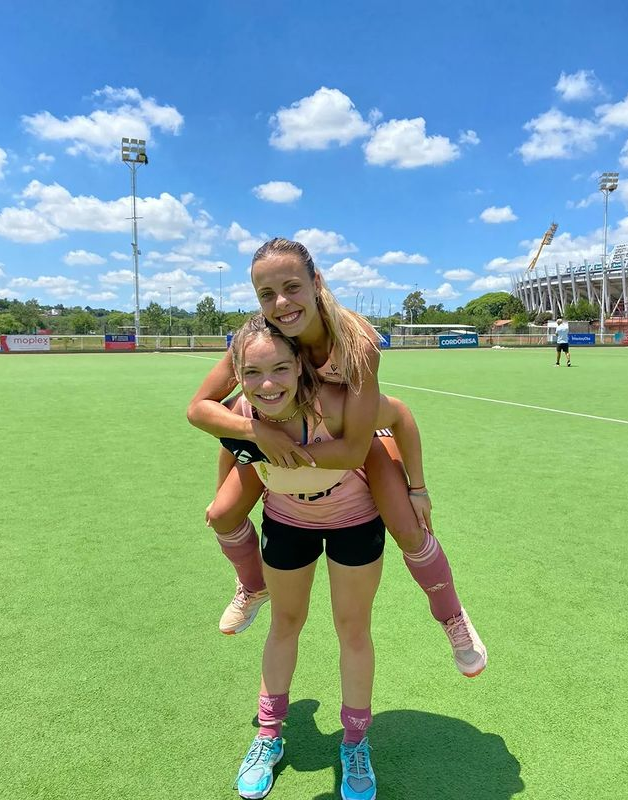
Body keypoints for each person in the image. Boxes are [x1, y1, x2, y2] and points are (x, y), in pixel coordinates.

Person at [188, 237, 486, 678]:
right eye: (266, 294)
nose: (281, 303)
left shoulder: (356, 341)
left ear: (317, 282)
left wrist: (418, 488)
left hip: (354, 439)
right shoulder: (264, 336)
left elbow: (360, 444)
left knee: (409, 529)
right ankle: (253, 586)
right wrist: (257, 433)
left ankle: (452, 617)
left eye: (292, 287)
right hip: (286, 437)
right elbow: (200, 408)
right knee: (222, 513)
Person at [210, 316, 432, 800]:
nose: (267, 384)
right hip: (287, 522)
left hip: (355, 519)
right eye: (253, 373)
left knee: (353, 631)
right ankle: (269, 735)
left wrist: (417, 488)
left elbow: (398, 418)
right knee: (284, 624)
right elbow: (228, 451)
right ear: (238, 375)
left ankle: (355, 742)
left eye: (280, 369)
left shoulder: (340, 405)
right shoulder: (242, 413)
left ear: (300, 368)